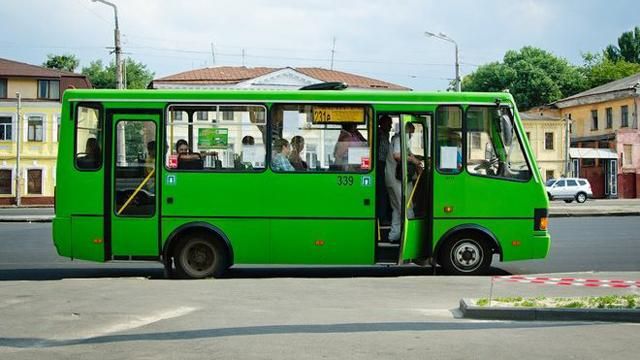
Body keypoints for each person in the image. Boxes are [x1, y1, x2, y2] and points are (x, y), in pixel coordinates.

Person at [385, 123, 423, 242]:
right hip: (398, 179)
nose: (411, 135)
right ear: (406, 130)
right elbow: (397, 155)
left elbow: (407, 153)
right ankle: (410, 239)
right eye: (411, 132)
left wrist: (417, 158)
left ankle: (394, 236)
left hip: (392, 178)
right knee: (407, 206)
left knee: (397, 208)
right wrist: (414, 160)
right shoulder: (399, 139)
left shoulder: (402, 140)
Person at [376, 115, 392, 225]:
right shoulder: (378, 134)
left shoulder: (386, 135)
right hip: (379, 165)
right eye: (389, 124)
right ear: (382, 124)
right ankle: (382, 218)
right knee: (382, 192)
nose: (391, 126)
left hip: (385, 164)